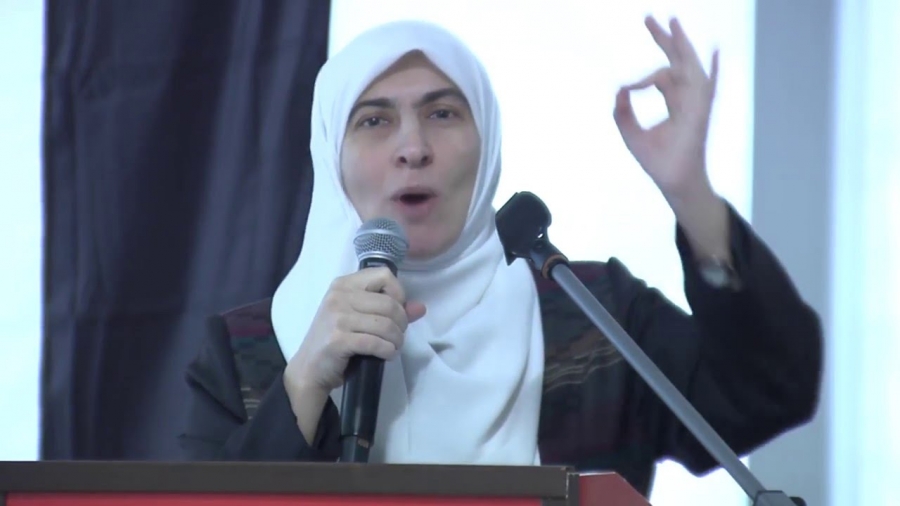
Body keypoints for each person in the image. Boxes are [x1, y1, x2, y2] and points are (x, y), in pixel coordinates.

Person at [178, 16, 823, 497]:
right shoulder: (250, 351)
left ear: (485, 144)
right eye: (374, 120)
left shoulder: (590, 314)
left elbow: (770, 391)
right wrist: (303, 386)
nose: (413, 147)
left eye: (442, 113)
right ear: (330, 155)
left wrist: (691, 194)